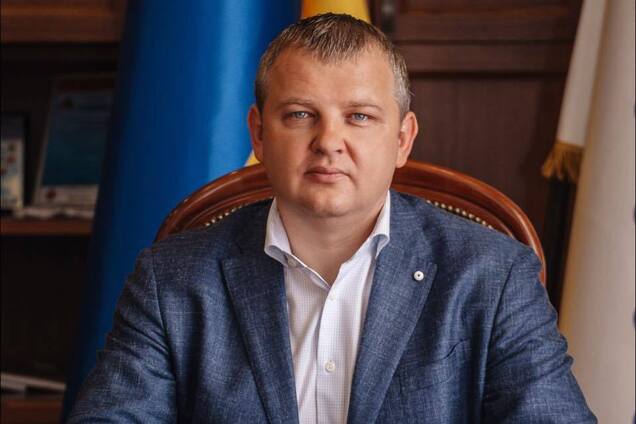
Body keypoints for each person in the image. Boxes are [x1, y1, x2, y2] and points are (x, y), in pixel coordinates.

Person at [68, 13, 595, 423]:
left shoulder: (492, 276)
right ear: (258, 135)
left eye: (359, 116)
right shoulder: (172, 280)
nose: (328, 142)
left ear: (403, 140)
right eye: (300, 115)